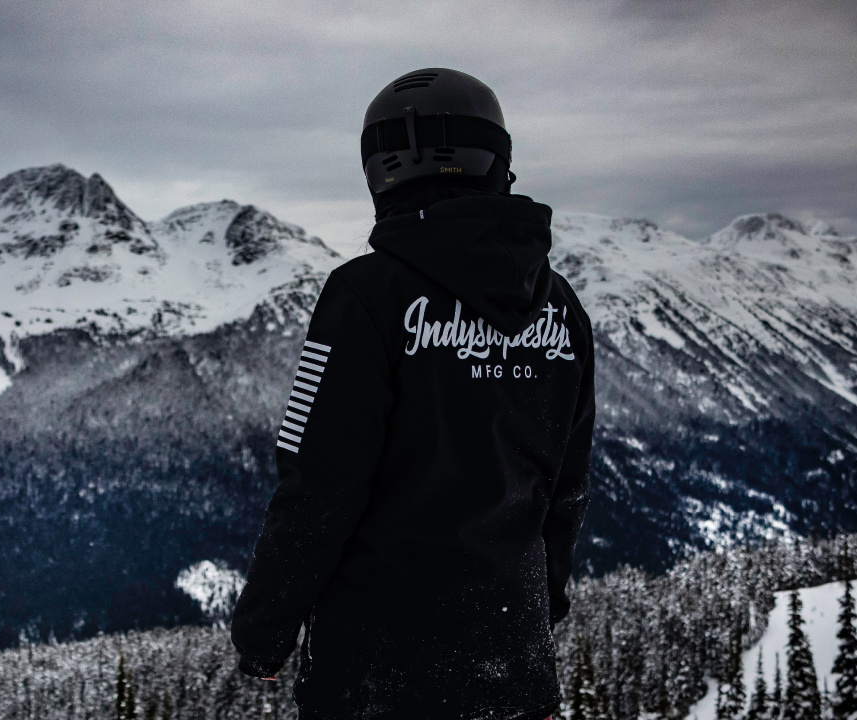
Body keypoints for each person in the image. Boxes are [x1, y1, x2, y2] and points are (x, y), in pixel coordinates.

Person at [230, 68, 595, 720]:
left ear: (380, 170)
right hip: (515, 662)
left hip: (381, 669)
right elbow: (565, 485)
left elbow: (317, 486)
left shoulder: (365, 296)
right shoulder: (562, 307)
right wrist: (543, 607)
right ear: (496, 161)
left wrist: (265, 632)